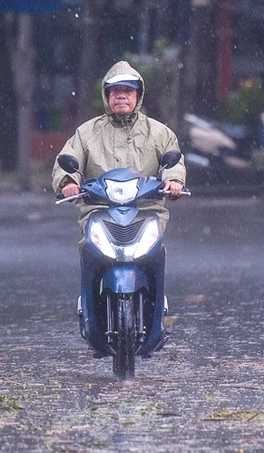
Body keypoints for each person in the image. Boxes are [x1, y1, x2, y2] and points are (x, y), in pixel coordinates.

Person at [52, 61, 188, 318]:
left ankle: (158, 306)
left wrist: (174, 181)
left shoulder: (159, 132)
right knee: (90, 254)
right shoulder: (87, 132)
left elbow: (174, 161)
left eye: (128, 90)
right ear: (107, 96)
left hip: (146, 211)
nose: (121, 96)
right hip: (99, 210)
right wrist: (67, 182)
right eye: (115, 91)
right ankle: (89, 307)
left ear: (138, 94)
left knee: (155, 255)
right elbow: (68, 158)